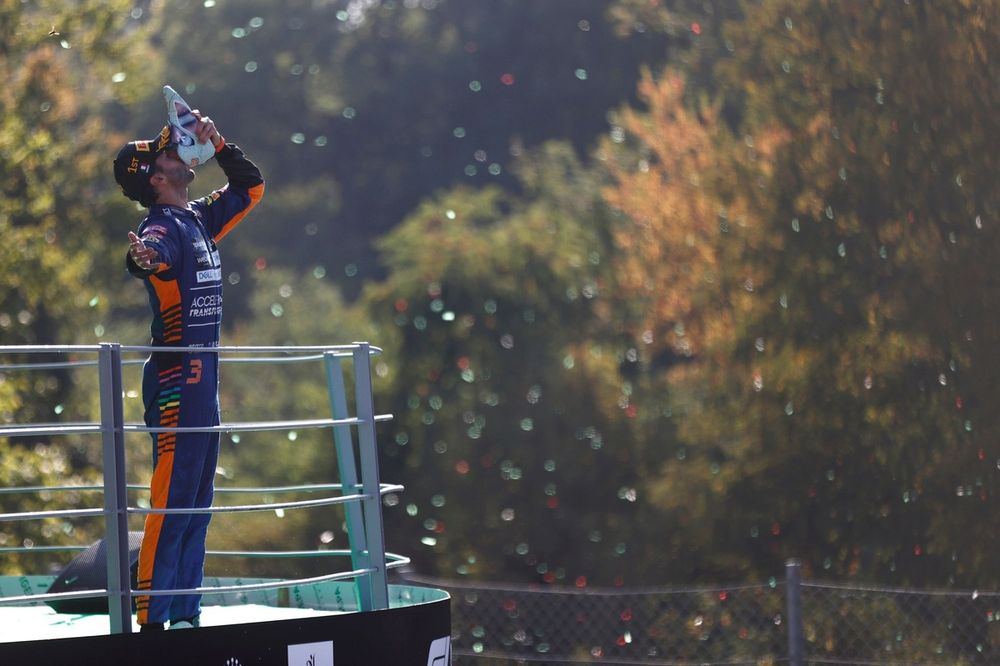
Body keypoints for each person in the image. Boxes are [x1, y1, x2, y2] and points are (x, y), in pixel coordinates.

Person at [112, 111, 264, 631]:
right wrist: (144, 258)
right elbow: (148, 254)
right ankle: (152, 621)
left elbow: (251, 188)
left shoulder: (199, 217)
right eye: (168, 153)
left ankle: (185, 614)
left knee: (198, 508)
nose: (179, 151)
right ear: (156, 178)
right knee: (172, 504)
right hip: (176, 385)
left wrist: (219, 143)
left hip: (205, 390)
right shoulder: (160, 226)